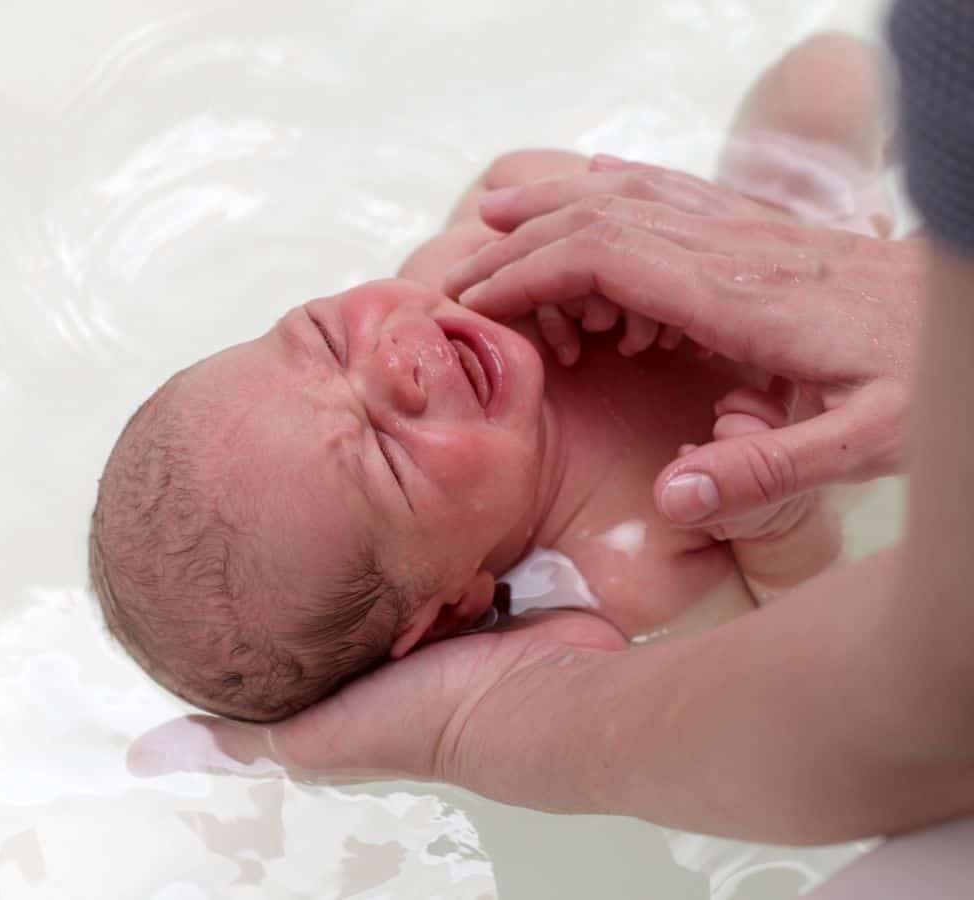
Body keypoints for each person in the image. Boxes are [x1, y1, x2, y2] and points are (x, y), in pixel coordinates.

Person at [126, 4, 974, 849]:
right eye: (386, 456)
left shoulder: (462, 279)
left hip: (782, 236)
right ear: (453, 610)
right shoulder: (620, 575)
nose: (395, 364)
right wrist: (778, 530)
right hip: (882, 410)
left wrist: (559, 222)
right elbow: (809, 633)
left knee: (828, 77)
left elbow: (510, 173)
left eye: (325, 334)